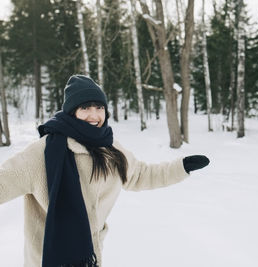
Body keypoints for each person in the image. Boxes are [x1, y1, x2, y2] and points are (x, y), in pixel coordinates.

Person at [0, 75, 210, 267]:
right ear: (72, 111)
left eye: (99, 107)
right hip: (47, 260)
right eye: (85, 108)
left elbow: (141, 175)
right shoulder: (43, 152)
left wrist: (181, 167)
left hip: (90, 257)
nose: (94, 115)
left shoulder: (110, 149)